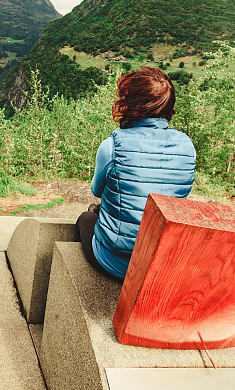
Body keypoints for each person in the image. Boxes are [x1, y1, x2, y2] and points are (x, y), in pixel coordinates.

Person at [76, 66, 196, 280]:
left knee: (86, 218)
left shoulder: (112, 146)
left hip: (116, 263)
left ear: (129, 104)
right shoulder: (186, 146)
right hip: (159, 261)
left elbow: (96, 190)